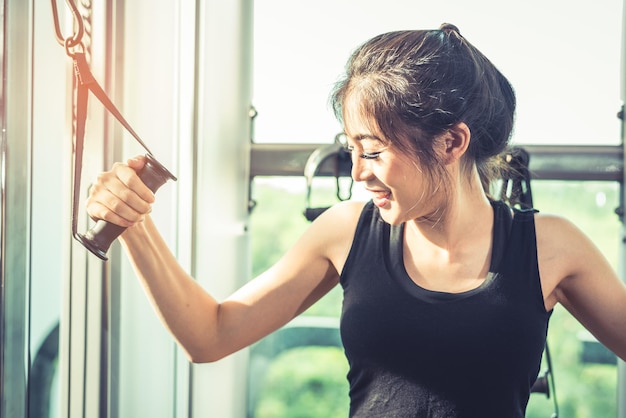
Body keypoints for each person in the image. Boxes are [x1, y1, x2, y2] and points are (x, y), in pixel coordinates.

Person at [86, 23, 626, 417]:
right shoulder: (346, 231)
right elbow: (211, 335)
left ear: (451, 142)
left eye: (373, 151)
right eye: (352, 151)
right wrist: (136, 223)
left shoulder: (551, 246)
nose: (359, 174)